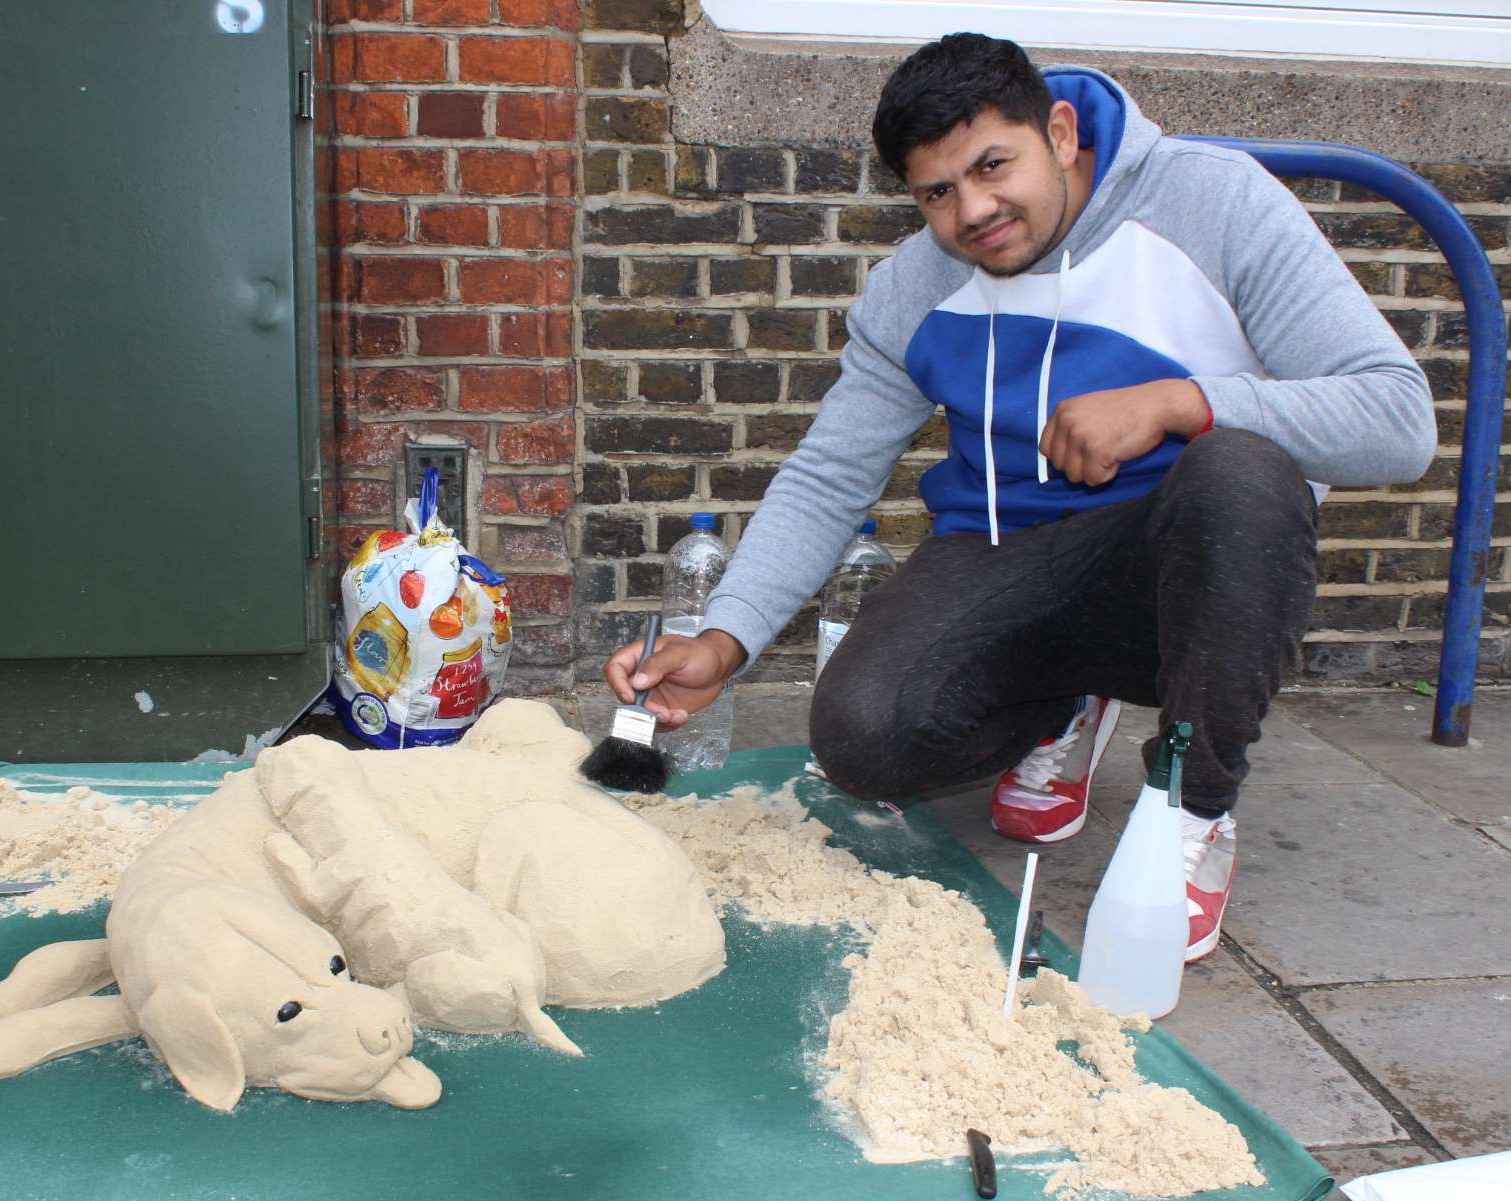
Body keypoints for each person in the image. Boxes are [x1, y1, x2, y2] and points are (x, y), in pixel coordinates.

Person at [602, 34, 1435, 961]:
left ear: (1063, 132)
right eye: (938, 193)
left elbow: (1399, 418)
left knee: (1243, 471)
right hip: (1005, 554)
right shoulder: (919, 283)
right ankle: (1063, 700)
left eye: (993, 165)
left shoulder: (1214, 202)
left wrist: (1181, 403)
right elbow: (832, 471)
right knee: (863, 736)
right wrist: (725, 637)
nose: (975, 211)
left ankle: (1190, 814)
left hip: (1182, 561)